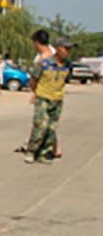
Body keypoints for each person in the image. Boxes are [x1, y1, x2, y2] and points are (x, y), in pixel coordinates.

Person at [24, 36, 70, 164]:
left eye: (69, 49)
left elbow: (64, 81)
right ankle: (31, 150)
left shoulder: (67, 66)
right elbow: (33, 80)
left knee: (51, 128)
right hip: (43, 98)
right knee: (41, 126)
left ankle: (44, 153)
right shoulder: (44, 64)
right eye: (66, 48)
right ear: (58, 49)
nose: (68, 51)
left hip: (57, 99)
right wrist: (36, 93)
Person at [31, 30, 62, 159]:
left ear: (37, 43)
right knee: (49, 123)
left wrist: (34, 92)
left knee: (42, 122)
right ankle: (54, 148)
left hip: (46, 93)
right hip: (55, 93)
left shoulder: (43, 58)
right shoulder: (54, 53)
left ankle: (39, 149)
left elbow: (35, 78)